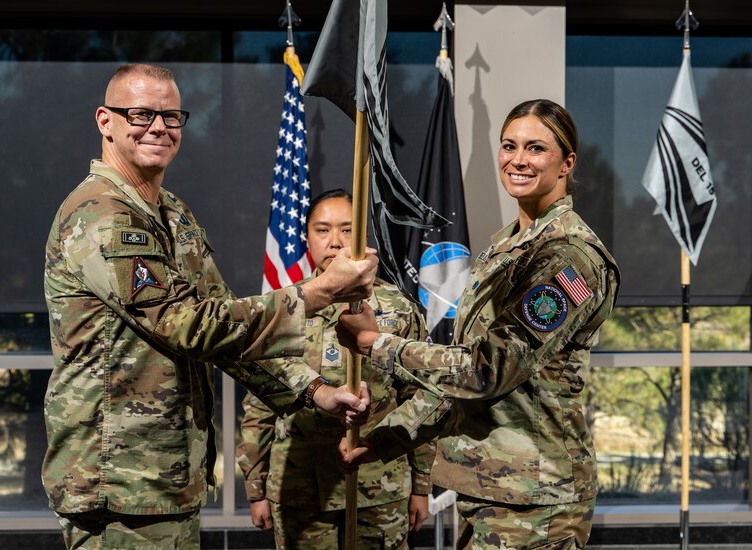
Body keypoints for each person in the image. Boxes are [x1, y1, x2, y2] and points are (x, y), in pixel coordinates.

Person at [43, 63, 378, 550]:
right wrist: (320, 291)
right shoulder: (101, 217)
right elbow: (188, 327)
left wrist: (315, 392)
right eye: (140, 114)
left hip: (168, 478)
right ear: (105, 121)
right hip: (117, 484)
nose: (158, 127)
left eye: (171, 116)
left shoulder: (171, 213)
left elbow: (228, 330)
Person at [336, 99, 621, 550]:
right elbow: (460, 384)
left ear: (567, 163)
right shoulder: (506, 248)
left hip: (534, 503)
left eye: (536, 148)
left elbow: (486, 371)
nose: (518, 160)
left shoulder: (569, 257)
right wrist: (388, 437)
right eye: (509, 146)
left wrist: (377, 344)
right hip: (489, 491)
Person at [237, 189, 439, 549]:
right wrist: (256, 489)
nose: (334, 242)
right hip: (300, 487)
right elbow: (259, 405)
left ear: (362, 238)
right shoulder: (283, 310)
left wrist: (421, 486)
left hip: (380, 487)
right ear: (307, 238)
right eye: (322, 230)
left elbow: (420, 400)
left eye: (347, 230)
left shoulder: (399, 309)